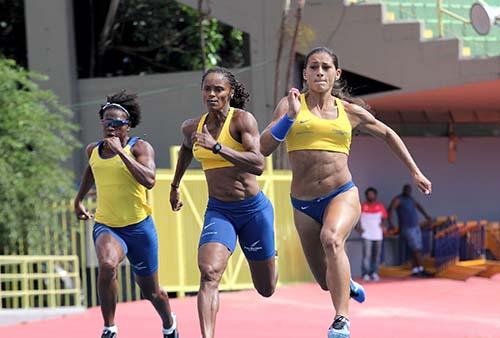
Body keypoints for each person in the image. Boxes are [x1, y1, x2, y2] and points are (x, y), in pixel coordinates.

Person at [260, 46, 432, 338]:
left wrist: (415, 170)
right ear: (304, 74)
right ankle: (347, 283)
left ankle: (341, 319)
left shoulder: (349, 112)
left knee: (331, 239)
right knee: (326, 282)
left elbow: (388, 133)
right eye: (313, 67)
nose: (319, 72)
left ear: (336, 74)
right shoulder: (290, 105)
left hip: (341, 193)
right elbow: (264, 146)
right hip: (302, 204)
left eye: (326, 67)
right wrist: (289, 117)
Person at [170, 67, 278, 338]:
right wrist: (175, 185)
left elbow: (258, 164)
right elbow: (186, 150)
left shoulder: (242, 121)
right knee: (209, 273)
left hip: (253, 210)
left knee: (266, 288)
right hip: (220, 211)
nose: (212, 94)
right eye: (207, 89)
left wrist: (217, 147)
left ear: (230, 92)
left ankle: (271, 255)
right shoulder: (191, 127)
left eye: (218, 89)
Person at [74, 91, 179, 338]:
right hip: (107, 225)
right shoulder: (94, 150)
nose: (110, 128)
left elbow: (150, 180)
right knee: (107, 264)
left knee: (151, 291)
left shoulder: (140, 147)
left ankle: (169, 323)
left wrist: (121, 152)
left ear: (128, 125)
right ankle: (109, 328)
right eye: (106, 123)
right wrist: (78, 199)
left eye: (117, 123)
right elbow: (92, 171)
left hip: (139, 228)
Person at [388, 184, 432, 276]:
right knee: (416, 248)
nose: (408, 191)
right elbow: (391, 210)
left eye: (409, 190)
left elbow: (419, 206)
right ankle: (421, 268)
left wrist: (427, 216)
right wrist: (391, 224)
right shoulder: (399, 199)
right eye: (406, 189)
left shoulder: (411, 199)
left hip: (415, 226)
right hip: (407, 227)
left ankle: (416, 269)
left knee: (416, 248)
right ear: (403, 190)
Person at [356, 187, 387, 282]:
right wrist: (357, 228)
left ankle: (374, 273)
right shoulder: (362, 206)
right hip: (366, 234)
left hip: (378, 234)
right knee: (367, 255)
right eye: (369, 194)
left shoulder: (380, 206)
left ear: (375, 195)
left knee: (376, 255)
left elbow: (385, 217)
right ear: (366, 195)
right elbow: (354, 218)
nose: (371, 196)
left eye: (372, 194)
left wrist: (383, 225)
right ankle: (365, 274)